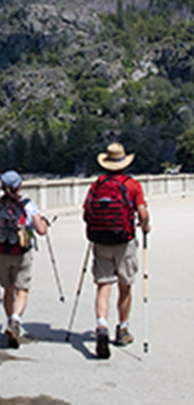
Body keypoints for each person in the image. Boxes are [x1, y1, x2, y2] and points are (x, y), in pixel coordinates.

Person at [84, 142, 151, 359]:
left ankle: (101, 324)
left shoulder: (97, 184)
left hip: (101, 241)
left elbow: (86, 214)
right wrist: (146, 226)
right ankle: (122, 330)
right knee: (125, 286)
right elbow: (142, 213)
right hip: (124, 241)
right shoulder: (132, 185)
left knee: (103, 285)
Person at [0, 170, 48, 348]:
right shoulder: (28, 205)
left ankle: (10, 319)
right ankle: (16, 320)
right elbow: (41, 230)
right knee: (22, 290)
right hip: (22, 253)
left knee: (8, 290)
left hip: (1, 253)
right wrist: (44, 223)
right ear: (19, 186)